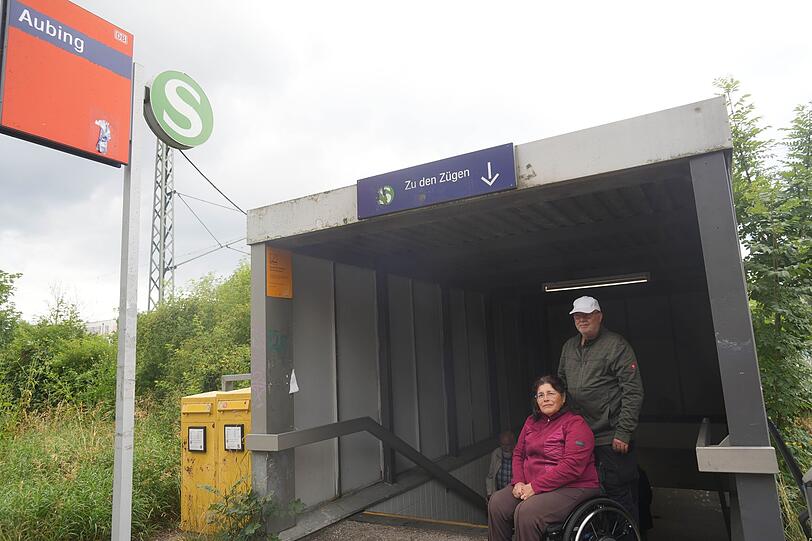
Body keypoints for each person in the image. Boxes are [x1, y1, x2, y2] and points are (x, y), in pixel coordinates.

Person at [557, 295, 644, 523]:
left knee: (618, 494)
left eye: (587, 315)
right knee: (585, 493)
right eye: (577, 315)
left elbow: (633, 391)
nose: (582, 320)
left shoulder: (616, 345)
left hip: (611, 437)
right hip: (580, 436)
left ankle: (627, 536)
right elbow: (561, 386)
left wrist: (623, 432)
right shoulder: (568, 347)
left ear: (599, 316)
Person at [488, 375, 600, 540]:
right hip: (532, 484)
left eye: (551, 393)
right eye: (541, 395)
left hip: (574, 487)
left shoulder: (576, 424)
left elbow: (571, 467)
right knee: (497, 502)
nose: (545, 399)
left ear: (563, 398)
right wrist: (519, 481)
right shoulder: (531, 422)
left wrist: (535, 487)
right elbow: (518, 454)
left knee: (527, 511)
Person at [486, 431, 515, 500]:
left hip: (513, 495)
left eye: (507, 445)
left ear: (513, 444)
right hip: (498, 494)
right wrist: (489, 494)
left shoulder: (518, 455)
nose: (505, 447)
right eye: (502, 444)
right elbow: (490, 476)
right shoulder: (496, 454)